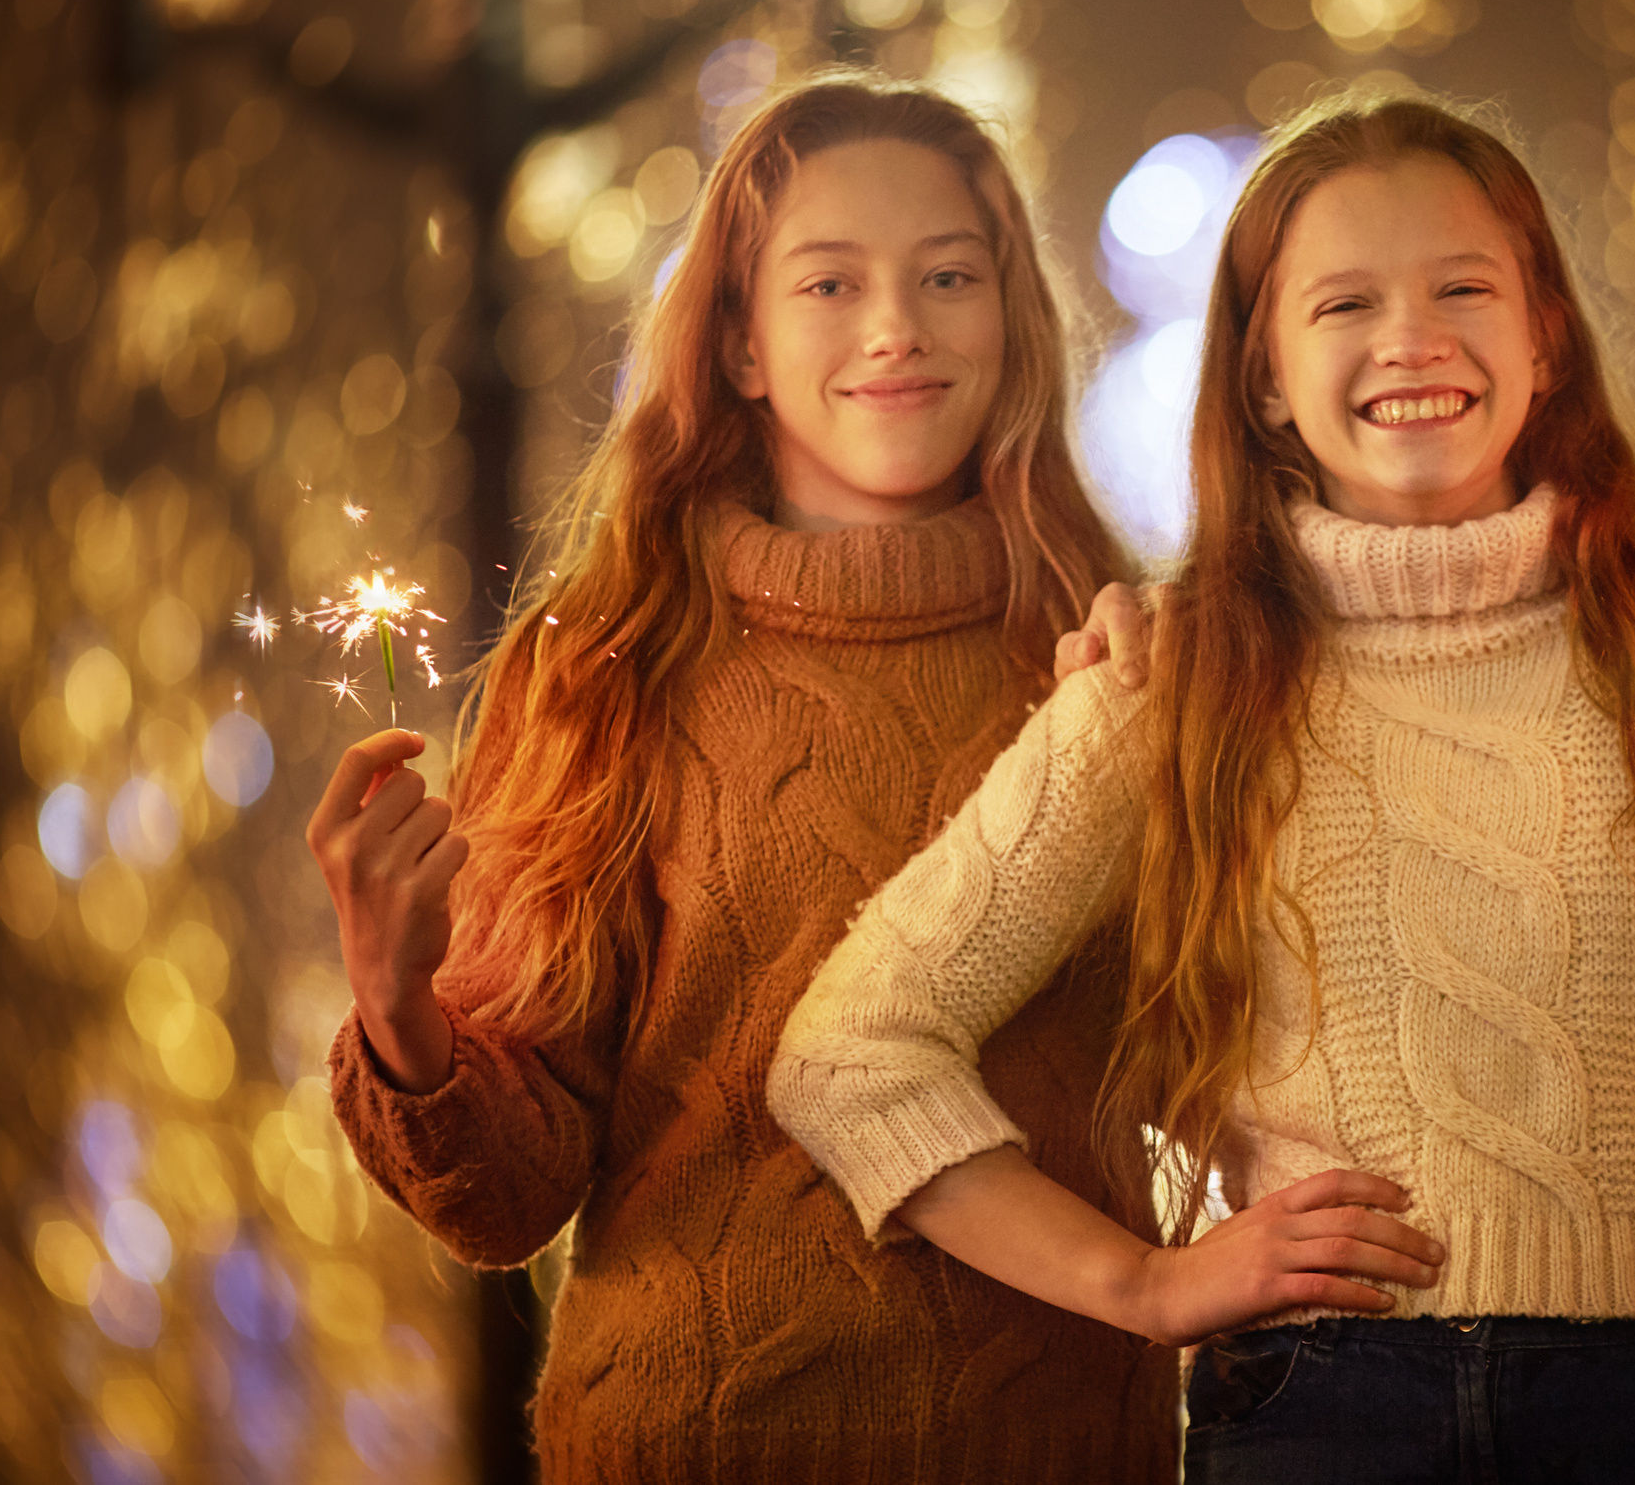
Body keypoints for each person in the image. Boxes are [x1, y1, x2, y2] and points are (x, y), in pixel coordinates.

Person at [769, 92, 1635, 1484]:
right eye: (1345, 304)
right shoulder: (1171, 682)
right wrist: (1144, 1284)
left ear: (1545, 340)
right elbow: (853, 1053)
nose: (1410, 338)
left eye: (1462, 288)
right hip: (1323, 1415)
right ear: (1265, 379)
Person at [306, 73, 1175, 1483]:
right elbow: (505, 1207)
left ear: (1010, 318)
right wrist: (402, 1014)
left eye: (949, 276)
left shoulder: (1116, 652)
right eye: (830, 283)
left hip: (1064, 1448)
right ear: (742, 344)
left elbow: (1217, 1064)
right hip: (688, 1445)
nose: (896, 327)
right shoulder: (605, 666)